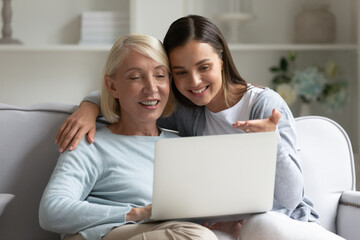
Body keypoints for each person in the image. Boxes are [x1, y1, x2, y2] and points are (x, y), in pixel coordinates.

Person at [54, 15, 344, 240]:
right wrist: (89, 107)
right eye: (180, 73)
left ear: (221, 59)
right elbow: (132, 101)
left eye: (203, 67)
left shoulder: (263, 104)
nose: (193, 82)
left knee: (259, 225)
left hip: (277, 219)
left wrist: (273, 144)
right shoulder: (186, 113)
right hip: (217, 228)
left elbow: (293, 198)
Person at [39, 34, 219, 240]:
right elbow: (51, 211)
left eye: (160, 76)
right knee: (196, 236)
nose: (151, 88)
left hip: (168, 231)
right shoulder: (91, 143)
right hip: (104, 234)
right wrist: (136, 214)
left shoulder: (182, 147)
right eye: (135, 77)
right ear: (112, 86)